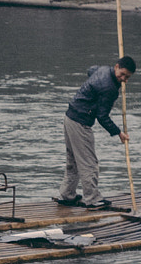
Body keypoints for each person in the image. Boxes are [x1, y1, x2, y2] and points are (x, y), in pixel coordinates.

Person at [56, 56, 134, 209]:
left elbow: (90, 70)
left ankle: (67, 194)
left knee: (73, 160)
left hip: (69, 117)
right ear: (117, 67)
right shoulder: (110, 89)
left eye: (127, 77)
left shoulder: (102, 70)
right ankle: (92, 199)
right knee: (89, 162)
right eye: (122, 74)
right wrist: (119, 133)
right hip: (80, 122)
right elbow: (102, 117)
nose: (124, 79)